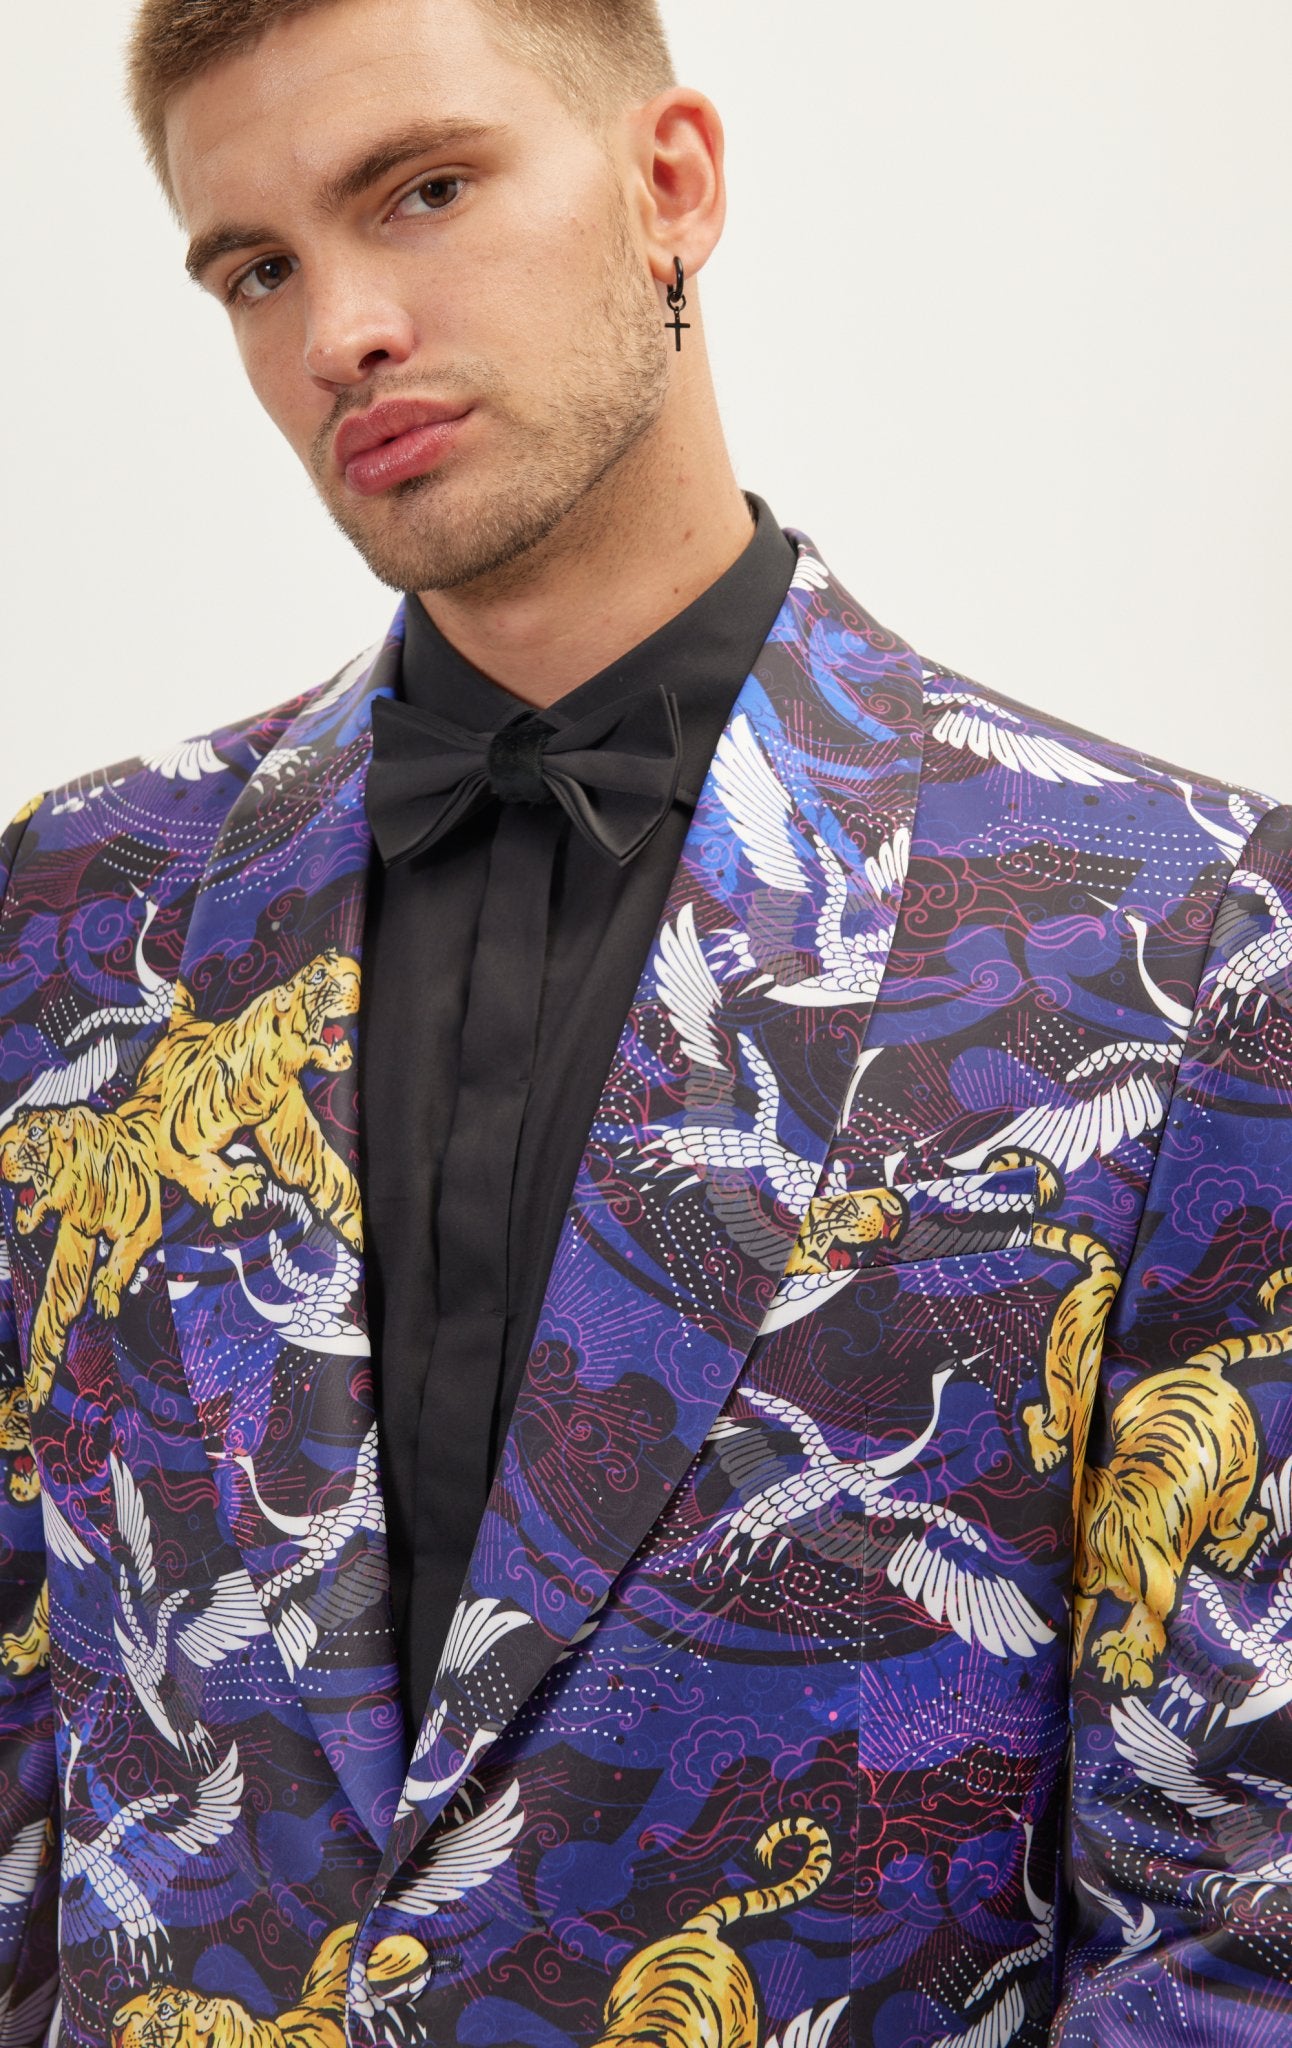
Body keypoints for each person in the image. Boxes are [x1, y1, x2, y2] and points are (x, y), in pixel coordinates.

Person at [0, 0, 1288, 2041]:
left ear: (668, 184)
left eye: (423, 191)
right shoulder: (74, 916)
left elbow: (1237, 1908)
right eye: (255, 269)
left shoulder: (1178, 930)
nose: (340, 330)